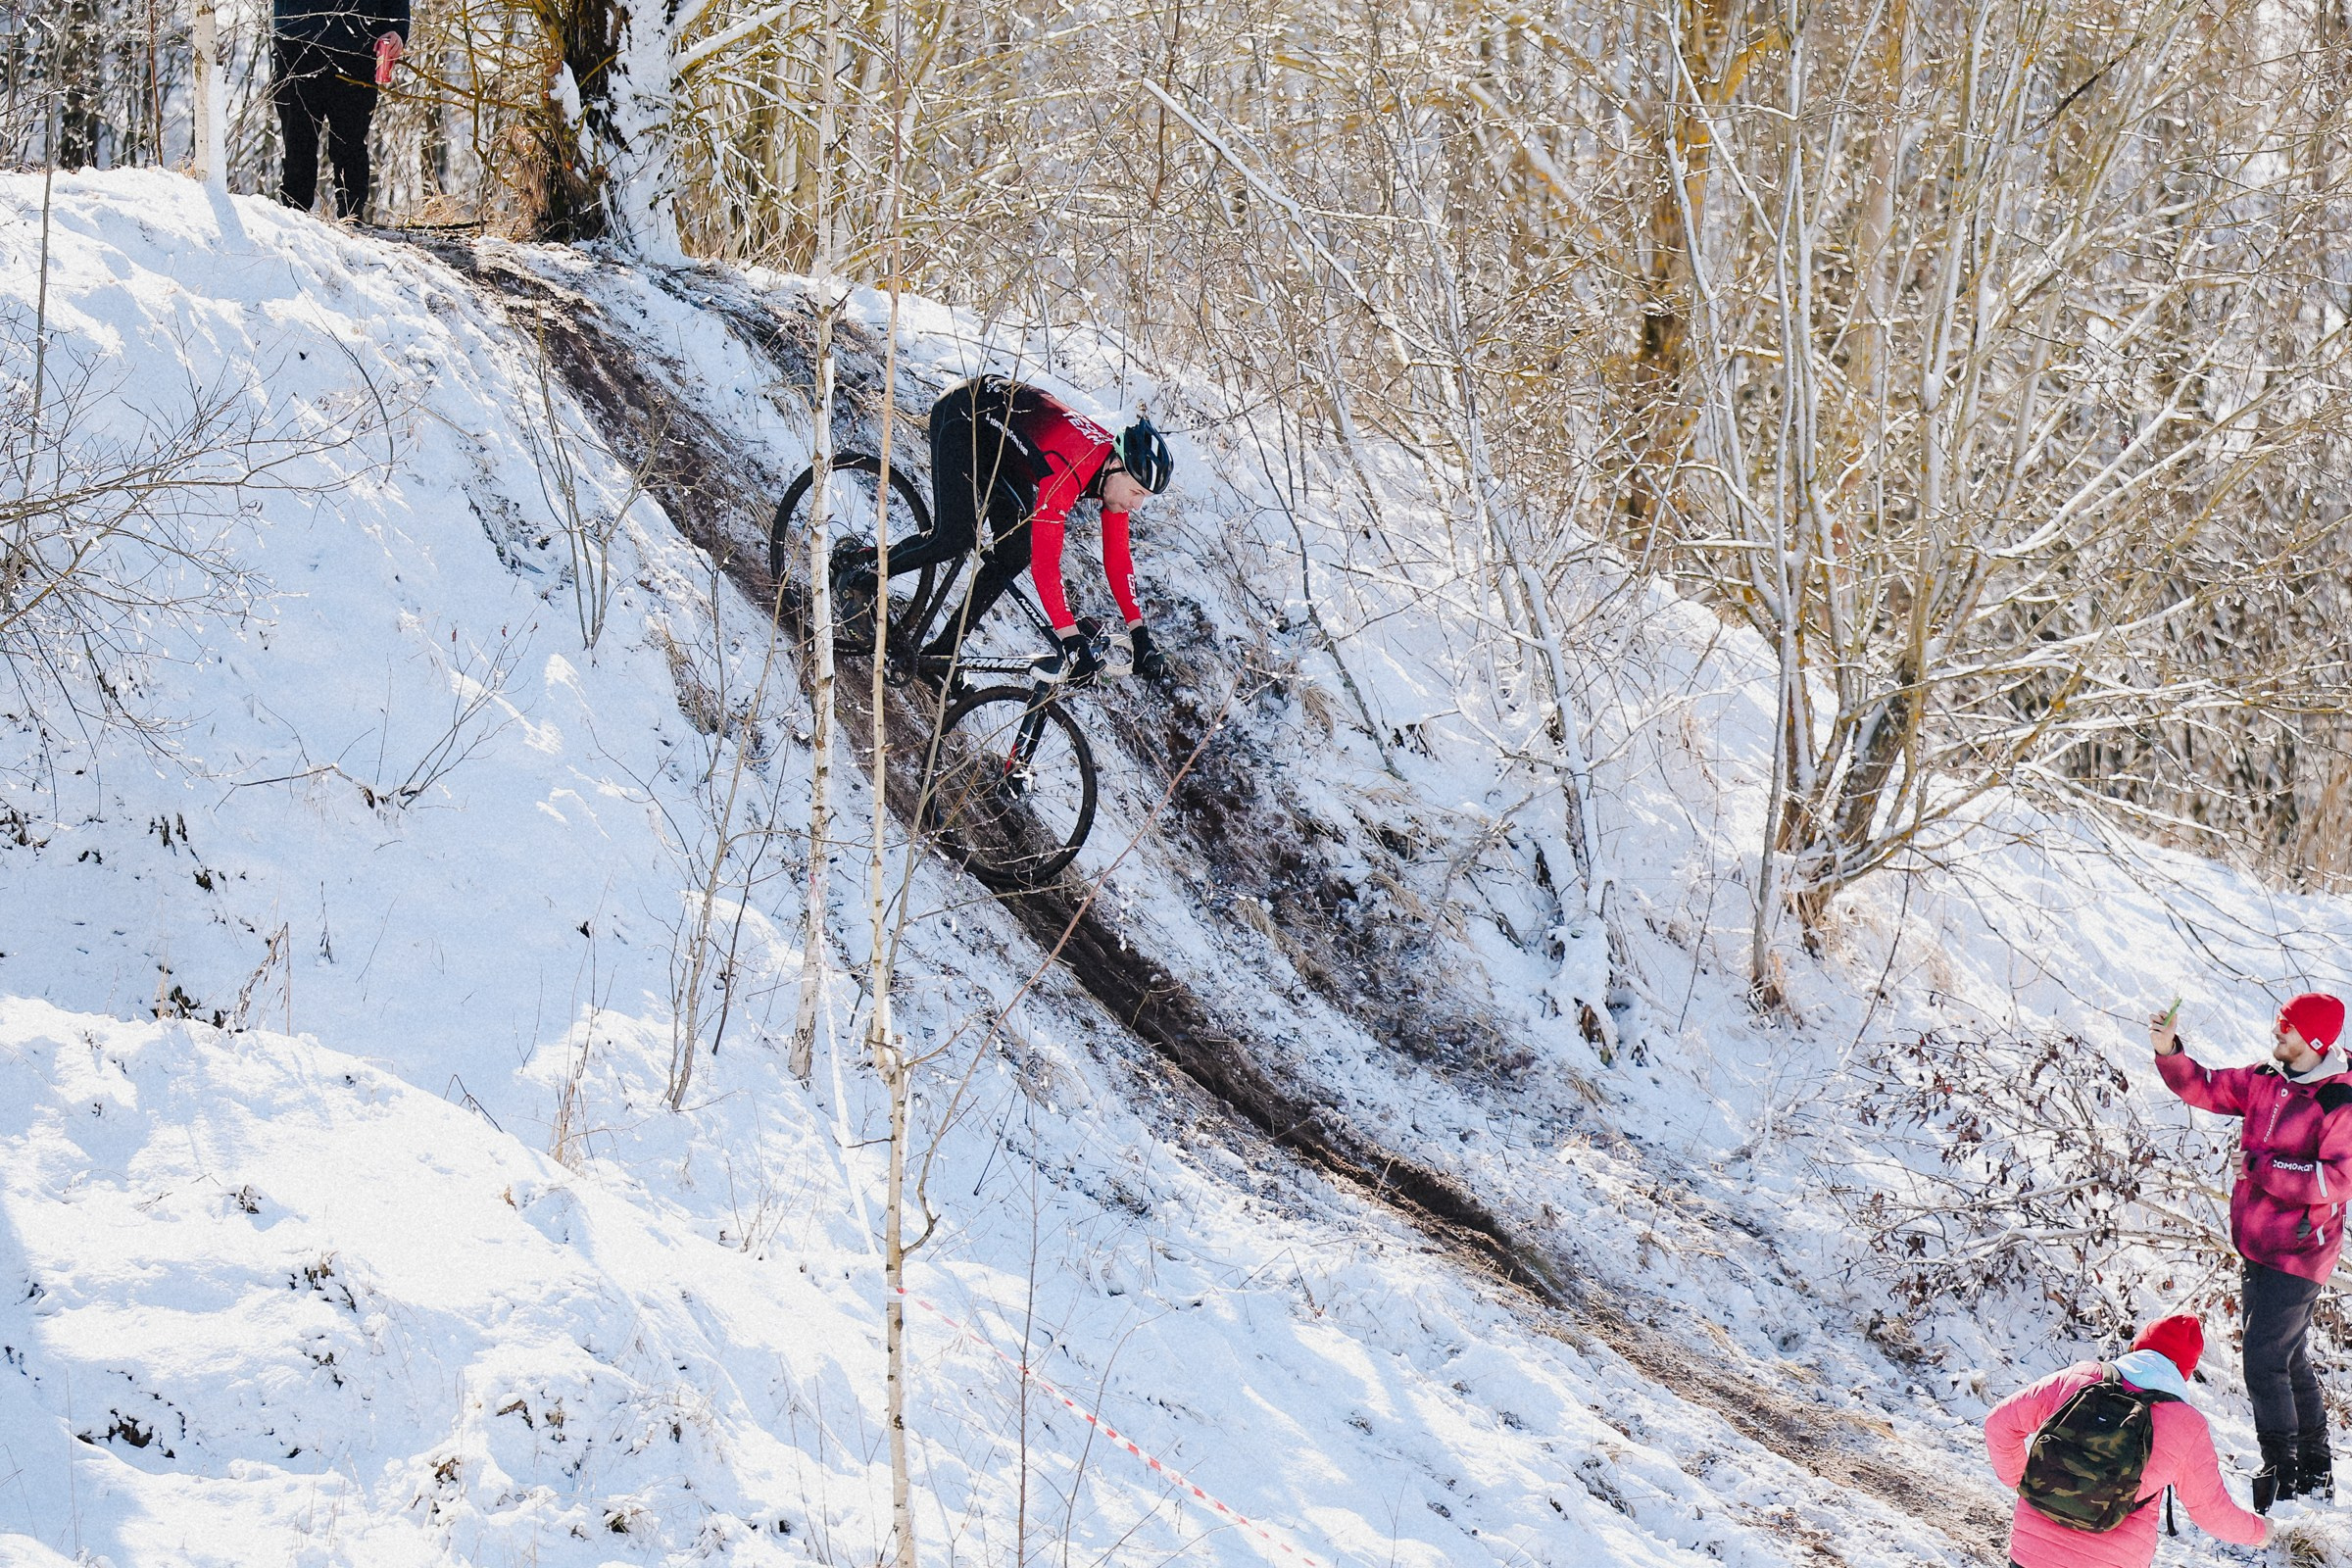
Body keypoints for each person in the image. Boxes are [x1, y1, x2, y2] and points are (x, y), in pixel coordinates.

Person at [833, 375, 1174, 684]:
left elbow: (1117, 559)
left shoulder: (1113, 478)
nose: (1136, 505)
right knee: (955, 536)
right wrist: (1070, 639)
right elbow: (1046, 565)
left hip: (1005, 446)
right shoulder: (1071, 466)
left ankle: (943, 654)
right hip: (965, 415)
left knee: (1013, 554)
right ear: (1116, 465)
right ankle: (860, 574)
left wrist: (1139, 632)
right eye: (1137, 493)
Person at [2155, 990, 2352, 1509]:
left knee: (2263, 1361)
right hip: (2258, 1245)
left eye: (2285, 1029)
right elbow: (2207, 1087)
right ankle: (2315, 1471)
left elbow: (2337, 1179)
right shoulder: (2268, 1077)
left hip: (2300, 1252)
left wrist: (2262, 1167)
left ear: (2312, 1042)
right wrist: (2169, 1048)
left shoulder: (2339, 1101)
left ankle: (2282, 1477)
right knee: (2288, 1358)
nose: (2275, 1034)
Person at [1985, 1314, 2269, 1565]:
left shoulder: (2080, 1378)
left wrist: (2023, 1482)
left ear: (2136, 1347)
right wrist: (2260, 1532)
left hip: (2031, 1553)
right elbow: (2211, 1513)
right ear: (2185, 1372)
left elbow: (1999, 1424)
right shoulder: (2186, 1425)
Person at [271, 0, 410, 219]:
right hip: (296, 43)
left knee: (350, 143)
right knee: (298, 139)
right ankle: (293, 223)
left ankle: (351, 222)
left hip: (358, 47)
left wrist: (398, 28)